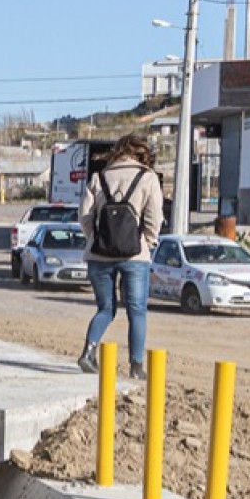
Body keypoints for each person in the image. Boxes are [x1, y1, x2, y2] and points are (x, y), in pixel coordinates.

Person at [77, 132, 164, 378]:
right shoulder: (147, 178)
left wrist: (94, 238)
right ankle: (136, 366)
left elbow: (84, 215)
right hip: (134, 256)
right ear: (140, 152)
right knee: (136, 310)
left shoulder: (99, 177)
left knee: (105, 309)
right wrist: (148, 242)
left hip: (98, 254)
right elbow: (154, 217)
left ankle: (88, 352)